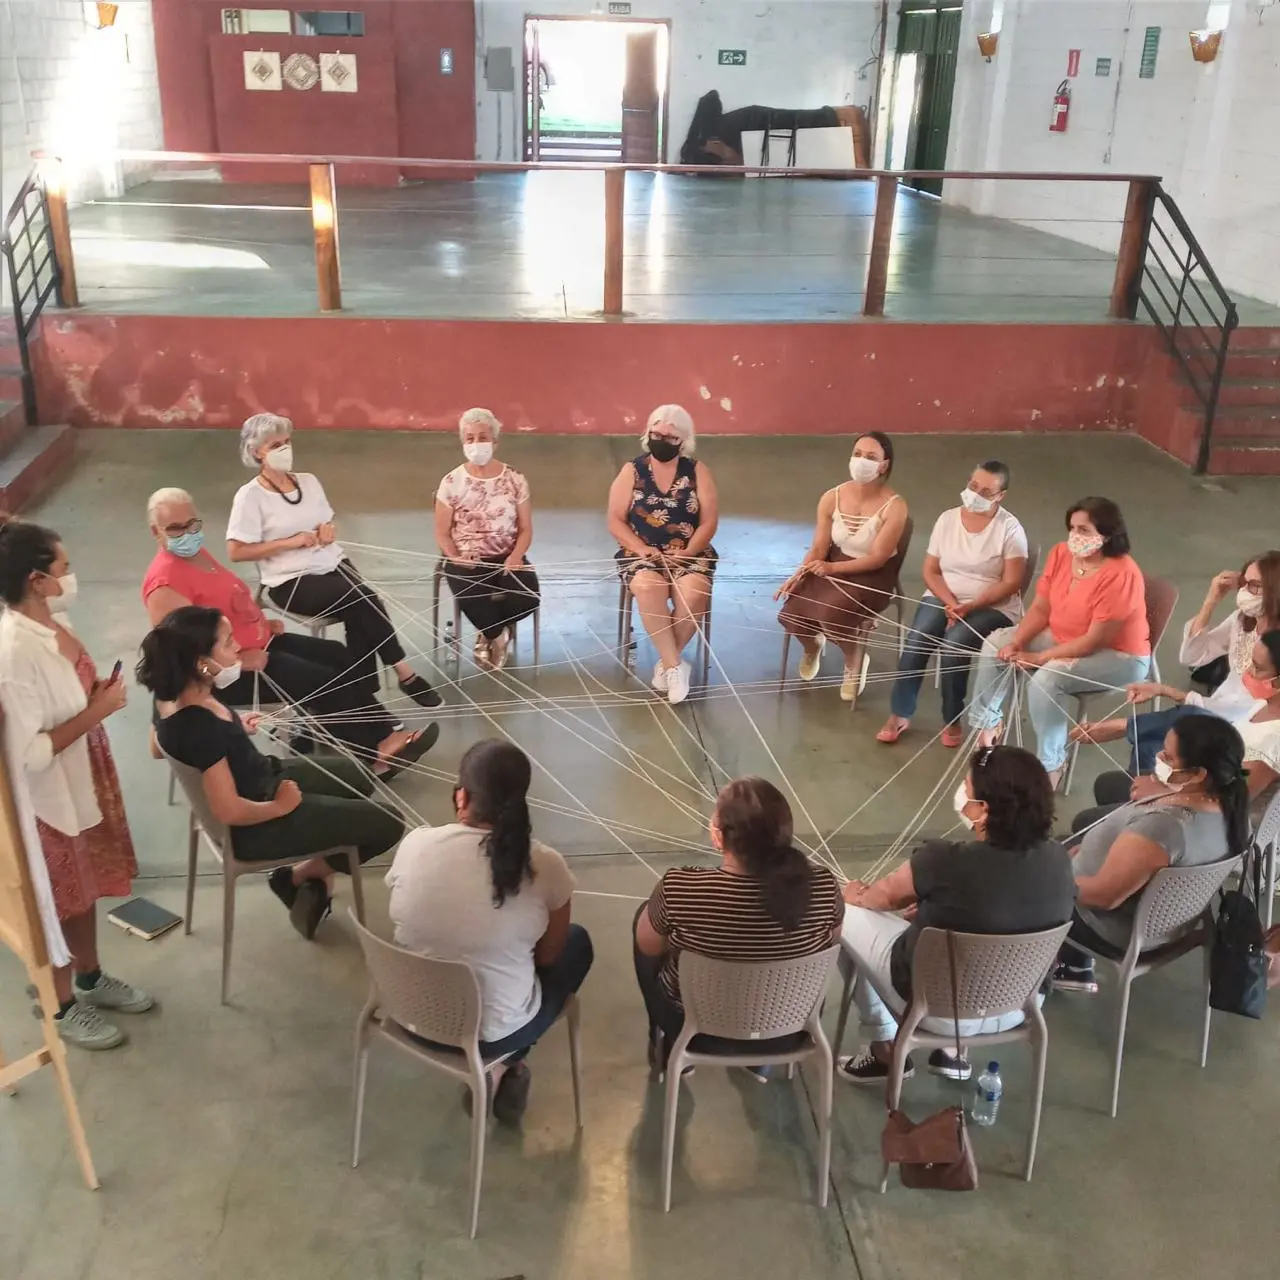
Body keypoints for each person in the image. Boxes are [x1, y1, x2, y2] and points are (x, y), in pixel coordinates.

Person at [140, 607, 405, 940]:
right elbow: (229, 810)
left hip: (261, 775)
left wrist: (235, 727)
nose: (237, 648)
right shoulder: (197, 727)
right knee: (388, 822)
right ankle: (298, 875)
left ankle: (314, 871)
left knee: (361, 776)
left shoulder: (176, 693)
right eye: (227, 642)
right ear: (201, 663)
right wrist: (280, 807)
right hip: (256, 818)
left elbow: (162, 746)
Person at [143, 487, 434, 771]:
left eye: (193, 524)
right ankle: (378, 752)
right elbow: (184, 659)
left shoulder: (197, 554)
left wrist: (258, 623)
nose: (188, 534)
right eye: (175, 529)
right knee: (322, 679)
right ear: (156, 532)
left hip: (255, 645)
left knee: (338, 655)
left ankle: (378, 731)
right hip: (228, 676)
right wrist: (243, 661)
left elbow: (226, 601)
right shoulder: (165, 585)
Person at [838, 746, 1075, 1084]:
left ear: (983, 809)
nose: (962, 793)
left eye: (967, 786)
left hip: (937, 1009)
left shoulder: (943, 861)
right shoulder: (1060, 862)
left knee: (844, 913)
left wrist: (855, 893)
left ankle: (885, 1049)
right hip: (1019, 1006)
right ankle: (953, 1054)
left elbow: (879, 899)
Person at [0, 519, 150, 1052]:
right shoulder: (14, 651)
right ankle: (60, 1003)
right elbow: (28, 753)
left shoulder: (50, 622)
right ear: (38, 579)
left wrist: (96, 695)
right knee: (58, 900)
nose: (72, 575)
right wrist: (99, 710)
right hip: (46, 798)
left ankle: (89, 976)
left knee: (84, 892)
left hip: (82, 773)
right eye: (65, 568)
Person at [386, 740, 592, 1126]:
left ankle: (500, 1067)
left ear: (461, 796)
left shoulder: (415, 843)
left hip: (407, 1013)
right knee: (576, 943)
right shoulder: (546, 865)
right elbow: (548, 957)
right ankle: (506, 1063)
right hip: (492, 1034)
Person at [633, 777, 844, 1080]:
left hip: (695, 1031)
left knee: (644, 925)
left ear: (719, 837)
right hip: (789, 1032)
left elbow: (649, 947)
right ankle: (762, 1061)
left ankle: (669, 1043)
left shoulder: (680, 888)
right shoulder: (823, 887)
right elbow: (831, 944)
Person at [226, 413, 441, 709]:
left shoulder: (309, 482)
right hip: (289, 581)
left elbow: (327, 520)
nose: (284, 449)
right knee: (363, 598)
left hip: (332, 564)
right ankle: (404, 673)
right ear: (256, 451)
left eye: (287, 442)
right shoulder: (250, 496)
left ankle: (364, 689)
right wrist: (290, 542)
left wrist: (328, 531)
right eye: (275, 445)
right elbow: (236, 551)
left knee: (361, 606)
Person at [1053, 714, 1247, 994]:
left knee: (1025, 874)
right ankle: (1073, 963)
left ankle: (1054, 970)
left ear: (1198, 774)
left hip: (1111, 928)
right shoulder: (1231, 811)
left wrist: (1050, 880)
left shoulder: (1165, 826)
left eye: (1168, 756)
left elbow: (1102, 897)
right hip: (1171, 925)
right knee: (1060, 844)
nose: (1159, 759)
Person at [966, 497, 1151, 786]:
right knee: (994, 645)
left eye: (1085, 530)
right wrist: (1018, 642)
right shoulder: (1061, 554)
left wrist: (1040, 658)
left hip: (1117, 657)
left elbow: (1093, 641)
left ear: (1108, 534)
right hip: (1064, 636)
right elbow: (1041, 608)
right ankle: (988, 725)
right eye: (1073, 528)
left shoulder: (1122, 575)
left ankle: (1050, 763)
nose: (1076, 536)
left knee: (1047, 680)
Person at [877, 461, 1028, 747]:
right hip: (944, 597)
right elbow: (930, 570)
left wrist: (968, 608)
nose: (976, 494)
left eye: (986, 491)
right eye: (973, 486)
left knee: (954, 646)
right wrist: (950, 603)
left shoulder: (1010, 529)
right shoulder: (947, 519)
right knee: (917, 640)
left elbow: (1011, 584)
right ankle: (900, 713)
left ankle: (952, 718)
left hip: (992, 607)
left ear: (1001, 496)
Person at [776, 432, 910, 701]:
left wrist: (830, 570)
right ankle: (812, 646)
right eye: (858, 454)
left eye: (871, 457)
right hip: (834, 562)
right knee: (789, 613)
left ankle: (854, 659)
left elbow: (878, 558)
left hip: (873, 575)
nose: (862, 461)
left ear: (884, 465)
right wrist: (798, 575)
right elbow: (818, 549)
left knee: (831, 612)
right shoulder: (831, 497)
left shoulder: (895, 506)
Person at [607, 404, 719, 705]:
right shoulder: (632, 470)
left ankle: (667, 664)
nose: (661, 441)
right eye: (656, 434)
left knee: (696, 592)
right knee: (647, 587)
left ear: (683, 441)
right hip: (640, 551)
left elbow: (709, 521)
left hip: (689, 552)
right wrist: (642, 549)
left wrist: (689, 552)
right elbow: (615, 519)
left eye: (669, 438)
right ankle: (674, 665)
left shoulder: (697, 471)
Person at [433, 408, 539, 671]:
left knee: (528, 597)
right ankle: (496, 636)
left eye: (482, 437)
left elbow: (526, 529)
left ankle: (488, 631)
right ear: (462, 442)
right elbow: (442, 533)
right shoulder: (451, 482)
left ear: (495, 441)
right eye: (469, 438)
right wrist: (455, 556)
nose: (476, 443)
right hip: (466, 557)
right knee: (472, 594)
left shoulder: (515, 479)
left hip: (507, 556)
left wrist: (515, 557)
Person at [1180, 552, 1280, 692]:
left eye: (1254, 585)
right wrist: (1211, 601)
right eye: (1243, 583)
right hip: (1225, 703)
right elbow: (1191, 656)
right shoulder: (1241, 620)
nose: (1244, 591)